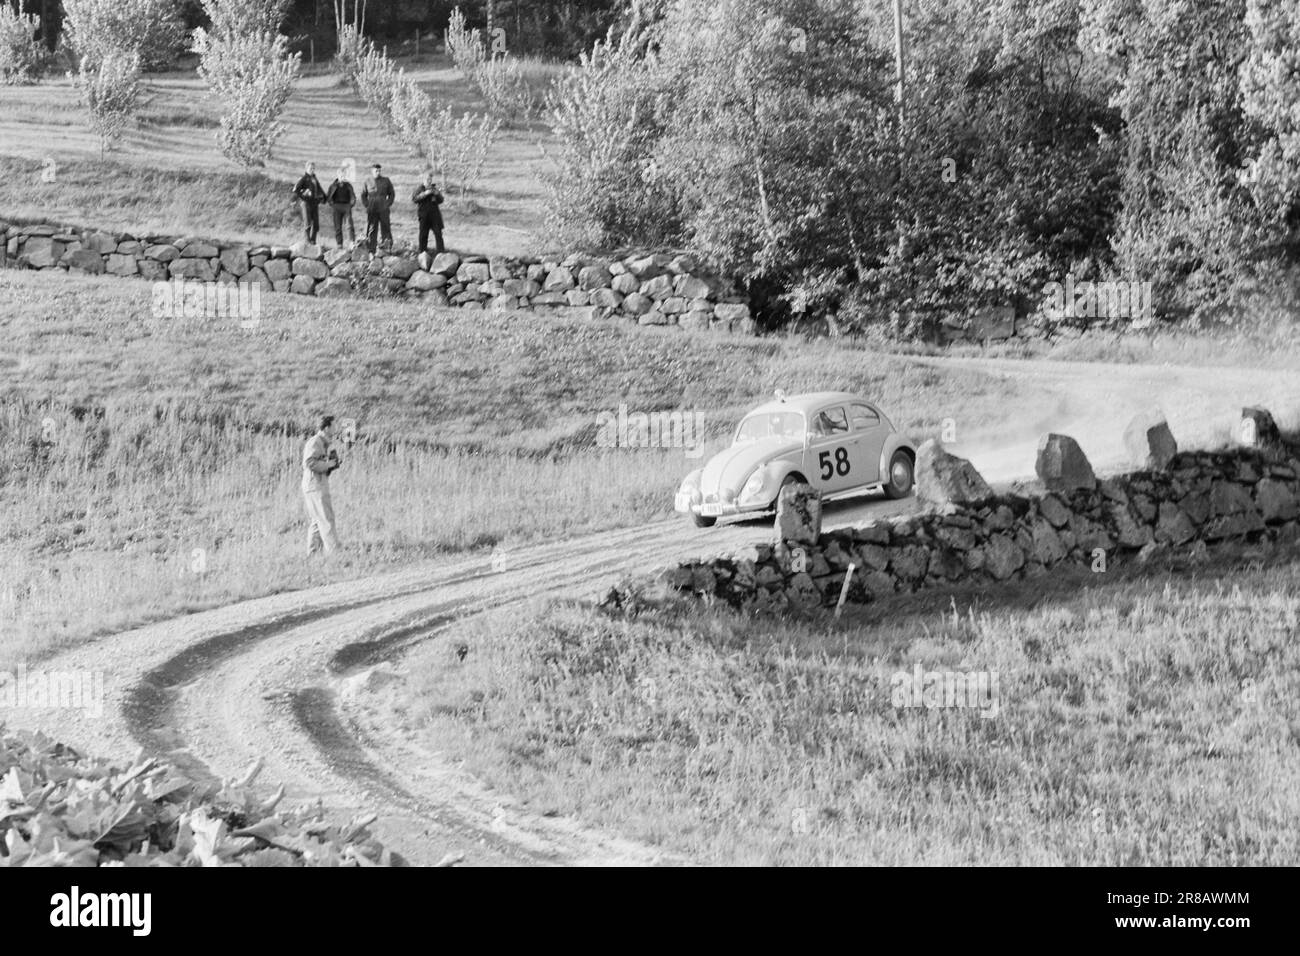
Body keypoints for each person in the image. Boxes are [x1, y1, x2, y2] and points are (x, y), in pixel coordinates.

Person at [302, 414, 342, 555]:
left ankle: (312, 554)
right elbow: (309, 463)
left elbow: (317, 464)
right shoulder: (315, 442)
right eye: (334, 425)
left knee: (317, 521)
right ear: (326, 428)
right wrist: (327, 464)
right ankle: (334, 553)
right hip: (315, 486)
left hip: (315, 485)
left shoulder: (324, 444)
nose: (336, 428)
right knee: (326, 518)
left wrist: (331, 466)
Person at [361, 162, 395, 253]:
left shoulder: (386, 180)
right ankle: (371, 249)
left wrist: (388, 203)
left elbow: (392, 193)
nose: (378, 172)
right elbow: (363, 195)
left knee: (385, 226)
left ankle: (387, 247)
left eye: (379, 170)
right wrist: (367, 205)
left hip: (383, 206)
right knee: (372, 228)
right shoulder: (367, 181)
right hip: (372, 207)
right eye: (376, 171)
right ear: (372, 171)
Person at [411, 170, 445, 255]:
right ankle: (422, 251)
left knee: (438, 233)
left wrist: (437, 194)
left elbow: (441, 200)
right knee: (423, 234)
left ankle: (440, 252)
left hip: (435, 215)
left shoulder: (434, 189)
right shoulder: (419, 189)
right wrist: (425, 194)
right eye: (427, 179)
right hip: (424, 215)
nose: (429, 181)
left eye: (430, 179)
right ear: (423, 180)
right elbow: (414, 199)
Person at [293, 162, 327, 244]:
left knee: (316, 224)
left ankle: (313, 241)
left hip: (314, 203)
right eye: (310, 168)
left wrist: (324, 198)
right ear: (306, 169)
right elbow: (295, 190)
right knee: (307, 222)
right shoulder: (304, 178)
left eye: (313, 168)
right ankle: (307, 241)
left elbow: (320, 190)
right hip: (306, 203)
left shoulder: (315, 179)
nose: (312, 170)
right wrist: (304, 195)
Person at [326, 166, 357, 248]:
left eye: (344, 175)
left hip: (346, 206)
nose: (343, 177)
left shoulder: (348, 185)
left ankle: (351, 242)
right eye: (341, 175)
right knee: (337, 226)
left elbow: (353, 196)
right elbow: (329, 197)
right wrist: (332, 204)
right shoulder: (333, 185)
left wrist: (351, 204)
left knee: (349, 225)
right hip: (336, 206)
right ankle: (339, 244)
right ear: (338, 175)